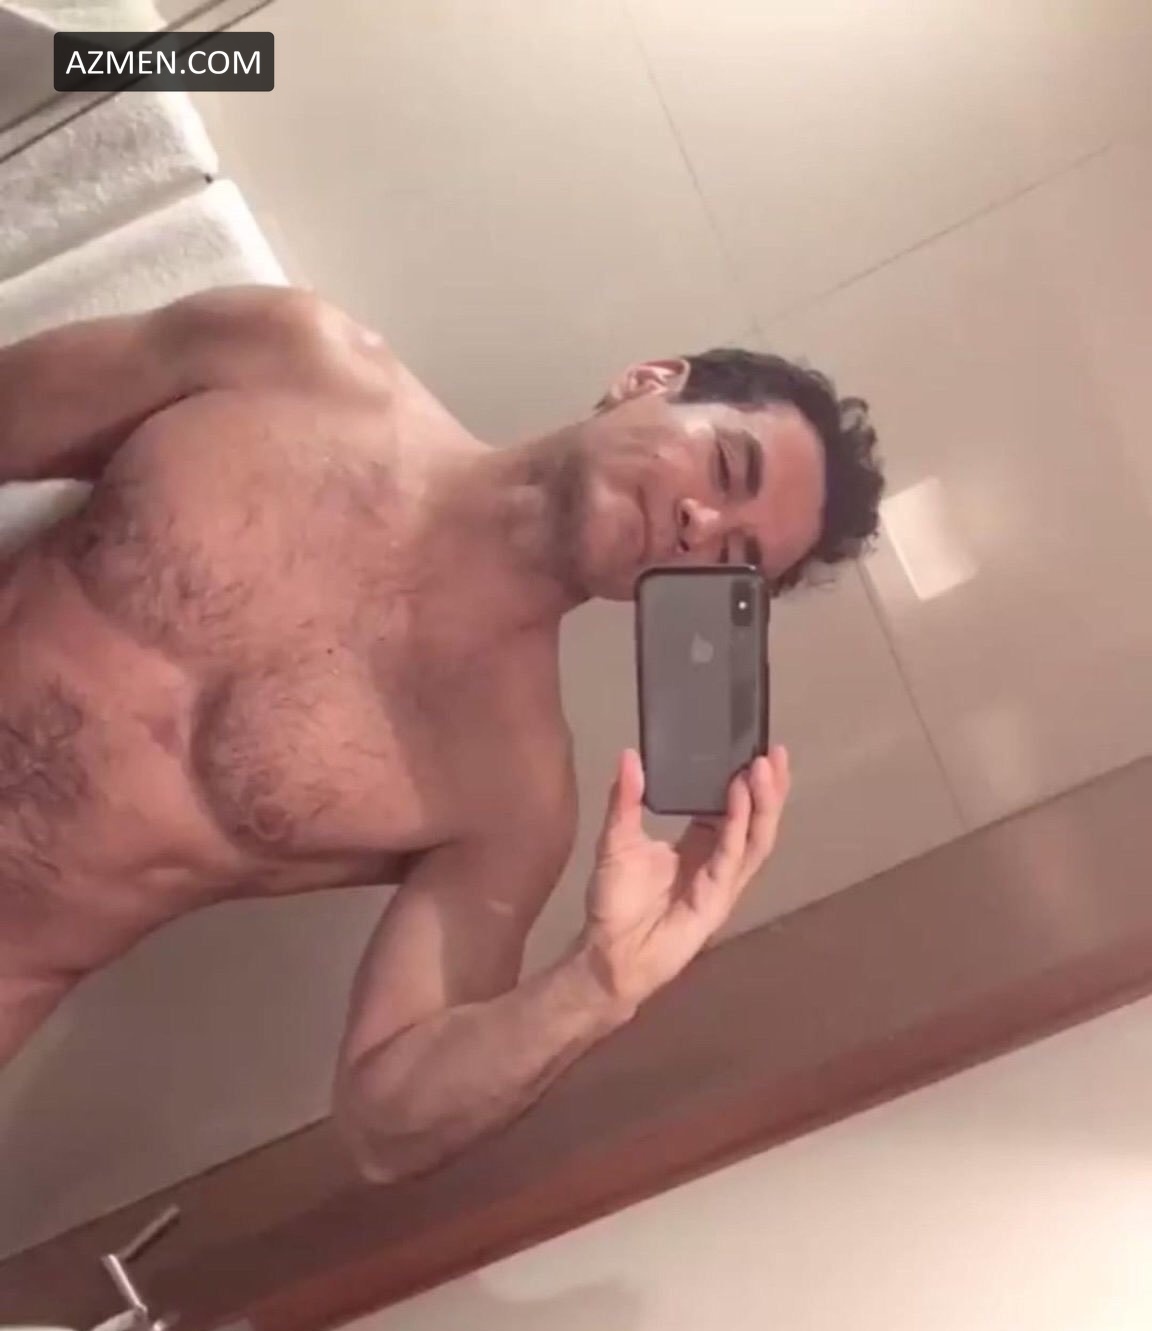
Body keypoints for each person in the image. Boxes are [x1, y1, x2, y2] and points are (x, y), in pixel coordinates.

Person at [0, 287, 883, 1180]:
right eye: (726, 467)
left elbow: (385, 1128)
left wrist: (599, 986)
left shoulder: (512, 796)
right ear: (648, 381)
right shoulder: (291, 359)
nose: (702, 525)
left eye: (735, 559)